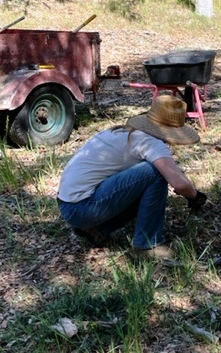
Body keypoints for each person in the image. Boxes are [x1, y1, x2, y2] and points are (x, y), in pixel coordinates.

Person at [57, 95, 207, 259]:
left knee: (144, 183)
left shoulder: (120, 132)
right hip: (83, 208)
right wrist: (195, 197)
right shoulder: (151, 142)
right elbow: (179, 183)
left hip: (68, 205)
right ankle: (147, 245)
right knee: (155, 172)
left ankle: (98, 230)